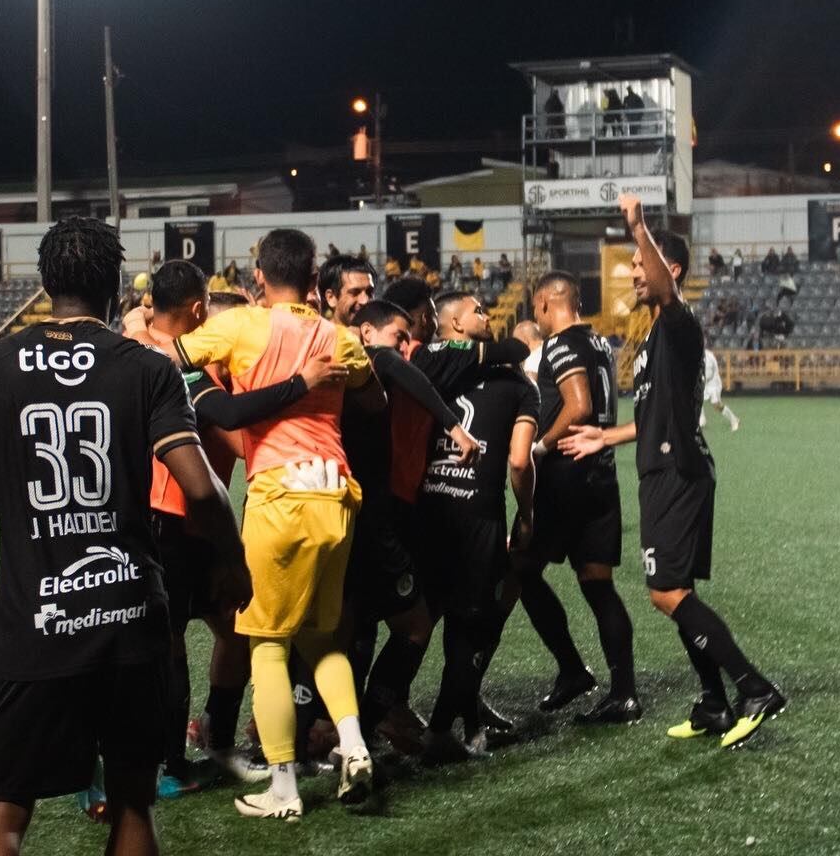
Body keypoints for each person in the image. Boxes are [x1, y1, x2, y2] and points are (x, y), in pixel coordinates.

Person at [0, 217, 251, 856]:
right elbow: (203, 488)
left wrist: (2, 498)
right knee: (133, 807)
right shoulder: (147, 368)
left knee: (2, 816)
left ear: (47, 283)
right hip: (130, 618)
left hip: (34, 624)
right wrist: (233, 562)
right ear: (115, 288)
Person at [125, 228, 384, 820]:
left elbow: (169, 356)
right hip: (338, 494)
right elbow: (372, 393)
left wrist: (140, 326)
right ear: (316, 279)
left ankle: (285, 789)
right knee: (322, 639)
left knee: (265, 644)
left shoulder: (242, 325)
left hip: (280, 494)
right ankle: (355, 745)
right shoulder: (338, 338)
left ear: (259, 278)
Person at [560, 195, 785, 751]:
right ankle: (713, 704)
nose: (633, 274)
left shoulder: (679, 322)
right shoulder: (655, 336)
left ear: (669, 269)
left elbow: (661, 285)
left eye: (640, 266)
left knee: (665, 593)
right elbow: (655, 414)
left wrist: (637, 227)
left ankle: (755, 689)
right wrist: (604, 435)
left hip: (677, 473)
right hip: (666, 468)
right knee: (675, 590)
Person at [341, 300, 479, 754]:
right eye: (399, 334)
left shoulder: (347, 361)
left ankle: (334, 729)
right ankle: (362, 724)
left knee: (356, 627)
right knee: (414, 625)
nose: (405, 345)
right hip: (375, 518)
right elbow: (398, 369)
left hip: (356, 513)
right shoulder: (375, 359)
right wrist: (454, 426)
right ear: (367, 332)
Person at [512, 271, 640, 724]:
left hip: (565, 476)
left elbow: (579, 404)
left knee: (519, 569)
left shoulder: (561, 345)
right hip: (601, 477)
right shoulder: (602, 344)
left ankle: (570, 669)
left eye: (535, 308)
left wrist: (540, 446)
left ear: (546, 303)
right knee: (598, 584)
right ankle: (623, 691)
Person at [417, 292, 539, 761]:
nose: (487, 315)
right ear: (455, 324)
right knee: (470, 627)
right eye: (478, 311)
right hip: (477, 518)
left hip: (424, 512)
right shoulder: (517, 385)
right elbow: (518, 462)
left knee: (414, 625)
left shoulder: (425, 370)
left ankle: (364, 720)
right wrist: (526, 514)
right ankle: (441, 730)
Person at [318, 254, 376, 327]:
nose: (364, 301)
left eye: (369, 292)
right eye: (355, 292)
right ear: (331, 297)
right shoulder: (317, 337)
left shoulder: (384, 336)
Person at [701, 347, 740, 432]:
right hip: (704, 382)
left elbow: (711, 373)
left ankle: (734, 419)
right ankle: (702, 420)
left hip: (713, 383)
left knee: (716, 405)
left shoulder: (709, 357)